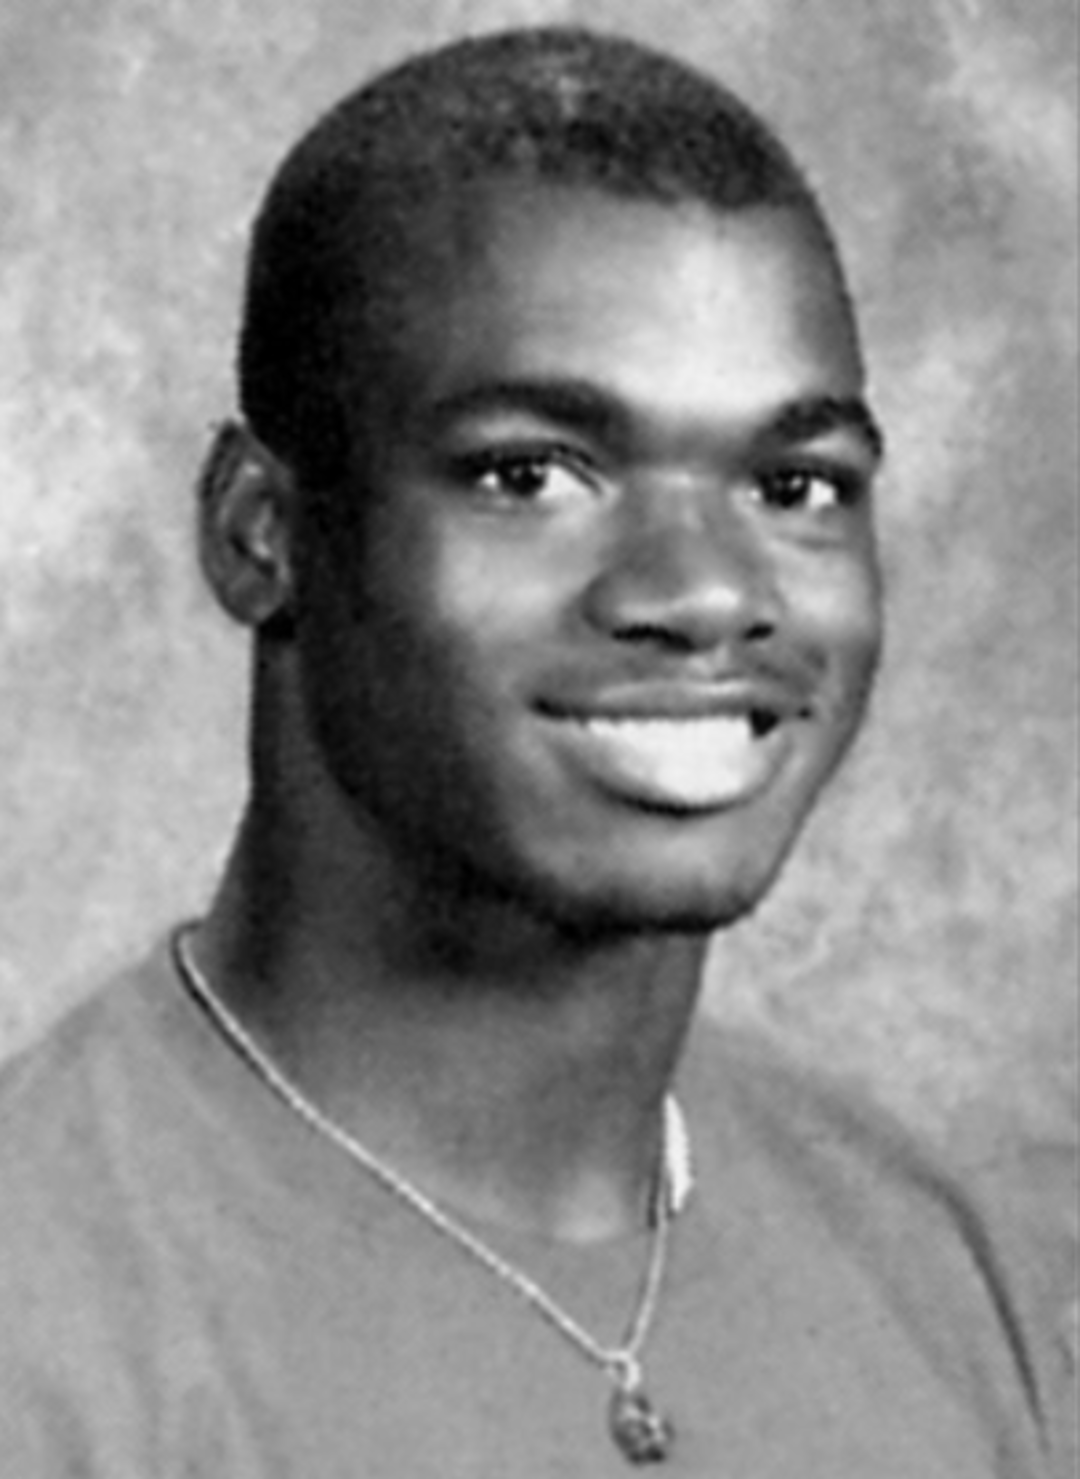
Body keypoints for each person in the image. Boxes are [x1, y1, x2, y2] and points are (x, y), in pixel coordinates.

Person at [0, 26, 1073, 1478]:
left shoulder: (949, 1268)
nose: (704, 591)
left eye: (794, 482)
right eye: (530, 474)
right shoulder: (45, 1327)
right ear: (259, 531)